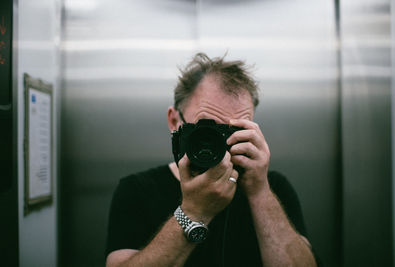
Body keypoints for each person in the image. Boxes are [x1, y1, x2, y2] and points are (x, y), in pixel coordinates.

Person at [105, 53, 318, 267]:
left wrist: (259, 191)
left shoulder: (273, 187)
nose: (220, 144)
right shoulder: (137, 190)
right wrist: (194, 212)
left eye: (235, 130)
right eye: (207, 129)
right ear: (175, 121)